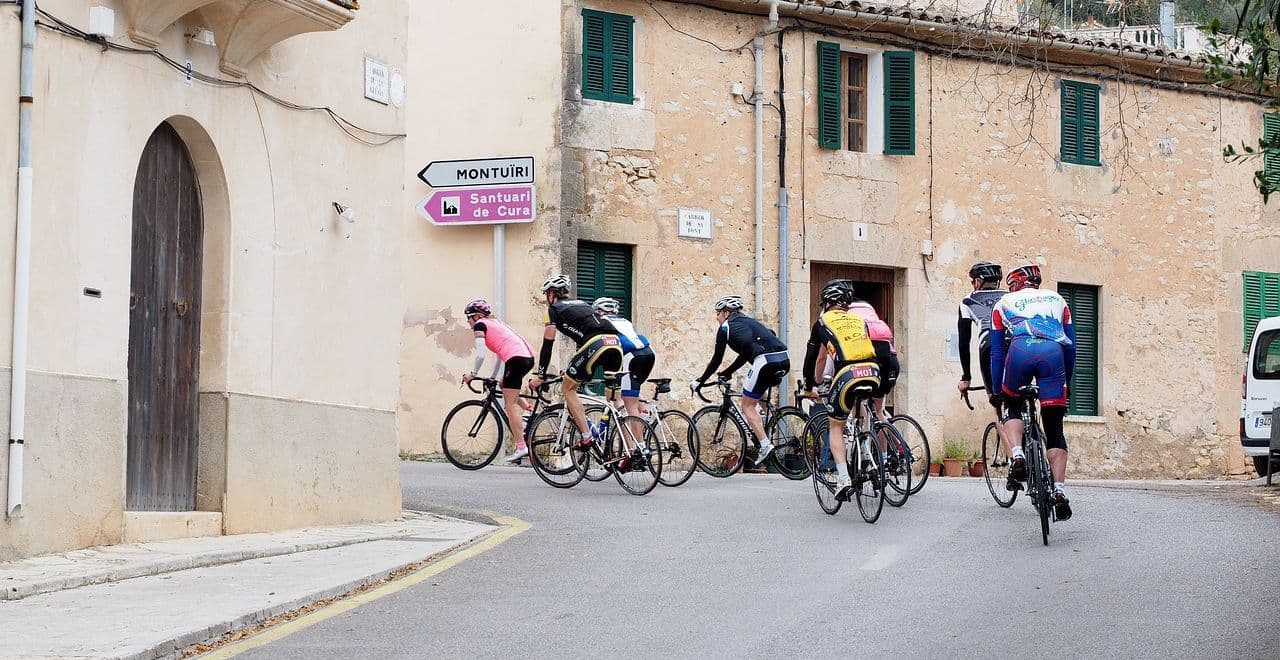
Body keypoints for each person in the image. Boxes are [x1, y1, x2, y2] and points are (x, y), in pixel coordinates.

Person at [989, 263, 1075, 521]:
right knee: (1054, 428)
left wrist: (997, 391)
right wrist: (1066, 385)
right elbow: (1071, 348)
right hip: (1053, 358)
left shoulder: (1003, 302)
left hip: (1019, 354)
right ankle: (1059, 491)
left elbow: (996, 353)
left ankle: (1017, 455)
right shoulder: (1058, 300)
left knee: (1012, 404)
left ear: (1014, 283)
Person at [802, 280, 880, 498]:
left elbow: (813, 358)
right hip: (873, 371)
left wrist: (809, 387)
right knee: (861, 404)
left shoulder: (822, 322)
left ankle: (844, 478)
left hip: (847, 373)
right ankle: (866, 450)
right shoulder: (858, 319)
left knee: (836, 426)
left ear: (827, 302)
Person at [527, 275, 624, 452]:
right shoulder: (582, 304)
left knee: (567, 389)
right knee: (615, 399)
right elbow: (585, 339)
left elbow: (548, 344)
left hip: (596, 344)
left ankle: (587, 437)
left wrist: (540, 376)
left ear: (550, 294)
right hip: (615, 343)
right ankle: (632, 448)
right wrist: (573, 369)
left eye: (546, 295)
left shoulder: (553, 309)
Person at [691, 295, 790, 466]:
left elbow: (716, 359)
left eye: (718, 314)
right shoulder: (751, 323)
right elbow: (745, 354)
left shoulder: (726, 328)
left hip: (765, 361)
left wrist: (700, 380)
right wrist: (728, 372)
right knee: (759, 395)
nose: (717, 318)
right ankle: (769, 423)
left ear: (726, 313)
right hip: (784, 358)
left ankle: (765, 445)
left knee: (747, 405)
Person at [461, 299, 536, 462]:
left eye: (469, 317)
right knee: (503, 384)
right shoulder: (495, 323)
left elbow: (480, 355)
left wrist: (472, 374)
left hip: (516, 359)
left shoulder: (481, 325)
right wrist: (493, 378)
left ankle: (521, 447)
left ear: (478, 316)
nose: (468, 321)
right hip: (525, 357)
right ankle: (528, 409)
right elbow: (500, 355)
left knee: (509, 405)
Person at [957, 261, 1013, 458]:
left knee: (998, 405)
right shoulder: (1011, 297)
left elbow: (964, 342)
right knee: (1019, 399)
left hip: (990, 347)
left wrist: (966, 377)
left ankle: (1015, 459)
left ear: (979, 282)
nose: (973, 284)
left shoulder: (967, 301)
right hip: (1019, 346)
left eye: (973, 281)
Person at [591, 297, 655, 424]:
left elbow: (599, 348)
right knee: (632, 392)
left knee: (627, 402)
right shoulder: (624, 321)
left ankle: (637, 443)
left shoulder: (602, 322)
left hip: (630, 356)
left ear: (599, 311)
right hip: (648, 353)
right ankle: (644, 411)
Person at [847, 286, 898, 419]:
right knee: (880, 410)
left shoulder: (841, 313)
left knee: (858, 402)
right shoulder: (868, 308)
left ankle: (865, 437)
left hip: (870, 360)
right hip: (891, 360)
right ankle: (893, 440)